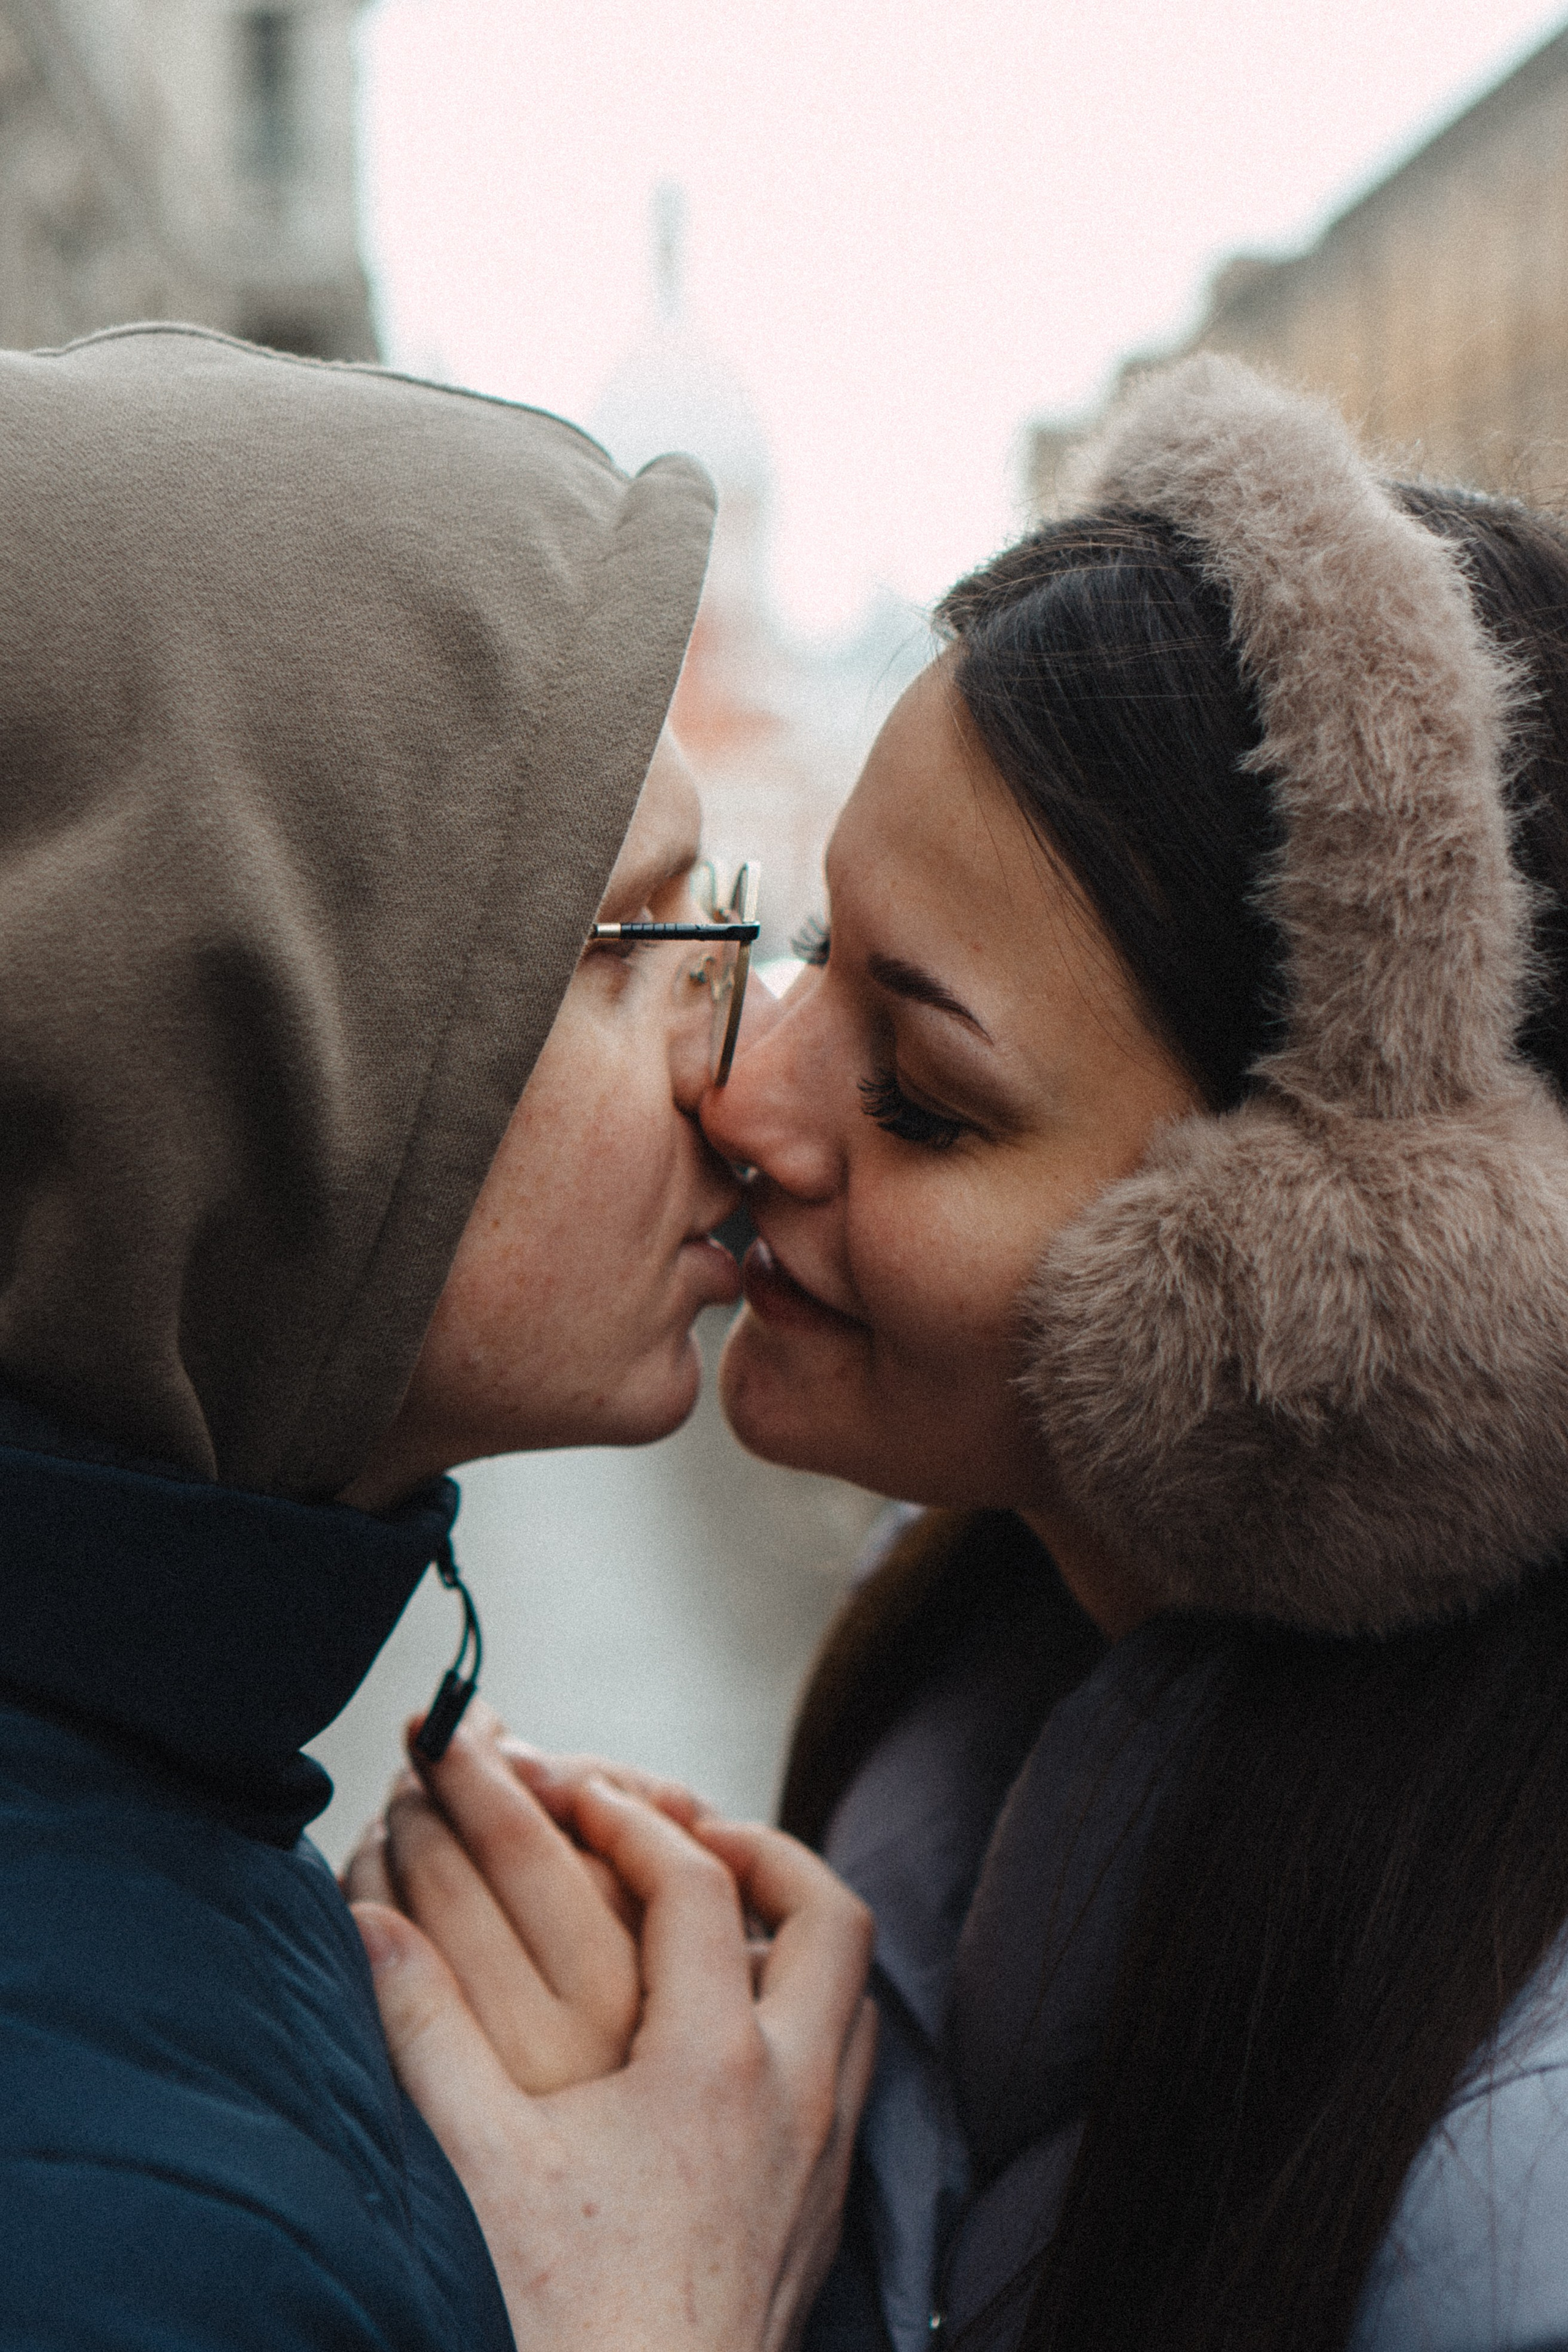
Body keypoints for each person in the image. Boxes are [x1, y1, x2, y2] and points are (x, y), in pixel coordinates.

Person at [366, 357, 1568, 2352]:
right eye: (813, 948)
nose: (744, 1090)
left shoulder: (1508, 2209)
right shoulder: (987, 1686)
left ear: (1339, 1310)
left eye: (923, 1092)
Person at [0, 323, 873, 2352]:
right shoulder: (138, 2235)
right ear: (262, 1043)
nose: (743, 1083)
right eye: (648, 936)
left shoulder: (156, 1782)